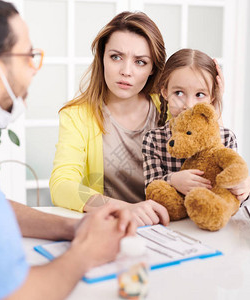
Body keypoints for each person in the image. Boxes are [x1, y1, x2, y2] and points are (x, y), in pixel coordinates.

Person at [0, 1, 136, 299]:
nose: (33, 70)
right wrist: (86, 252)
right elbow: (18, 295)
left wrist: (74, 227)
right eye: (29, 56)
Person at [49, 11, 170, 226]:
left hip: (170, 226)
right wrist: (127, 209)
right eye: (116, 57)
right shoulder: (77, 115)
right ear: (102, 58)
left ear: (153, 68)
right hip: (110, 227)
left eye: (140, 62)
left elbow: (209, 158)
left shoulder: (168, 109)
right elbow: (62, 185)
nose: (126, 71)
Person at [143, 49, 250, 203]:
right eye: (179, 93)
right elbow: (150, 188)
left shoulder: (226, 137)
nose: (189, 105)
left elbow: (232, 190)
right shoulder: (153, 139)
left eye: (200, 95)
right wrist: (173, 180)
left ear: (212, 97)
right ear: (165, 92)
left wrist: (244, 188)